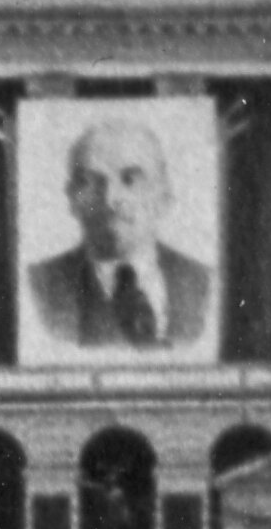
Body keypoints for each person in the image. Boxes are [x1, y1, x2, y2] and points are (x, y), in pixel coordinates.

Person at [24, 117, 217, 353]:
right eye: (91, 182)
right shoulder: (35, 288)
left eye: (130, 180)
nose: (110, 199)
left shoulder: (208, 284)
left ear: (164, 196)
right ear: (72, 198)